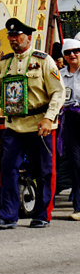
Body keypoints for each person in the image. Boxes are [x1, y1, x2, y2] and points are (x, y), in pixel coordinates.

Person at [0, 18, 65, 229]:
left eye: (17, 36)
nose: (13, 40)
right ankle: (7, 215)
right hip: (14, 125)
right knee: (8, 170)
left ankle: (42, 214)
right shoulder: (4, 63)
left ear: (28, 37)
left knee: (45, 171)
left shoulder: (43, 60)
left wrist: (49, 118)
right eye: (10, 36)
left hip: (41, 125)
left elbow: (58, 92)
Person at [58, 38, 80, 220]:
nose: (72, 54)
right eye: (68, 52)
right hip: (70, 120)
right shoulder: (59, 75)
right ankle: (78, 208)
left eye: (76, 51)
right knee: (75, 163)